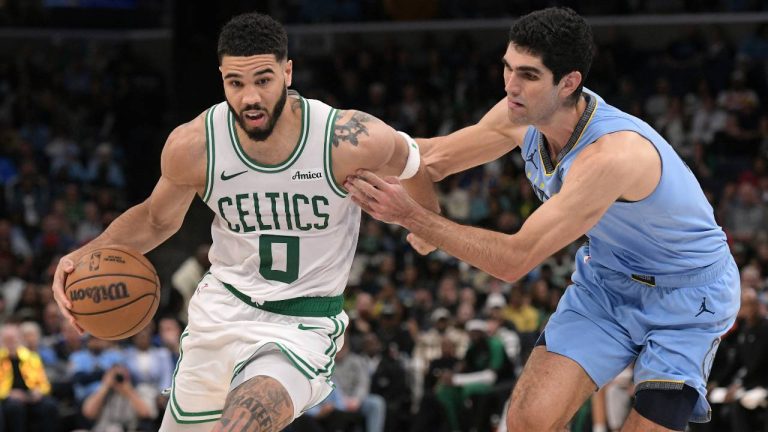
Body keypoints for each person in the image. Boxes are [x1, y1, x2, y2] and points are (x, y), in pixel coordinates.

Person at [346, 7, 740, 432]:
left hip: (686, 296)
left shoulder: (612, 155)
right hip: (607, 281)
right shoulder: (521, 116)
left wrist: (417, 219)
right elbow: (429, 158)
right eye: (508, 69)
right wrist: (338, 154)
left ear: (569, 82)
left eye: (529, 76)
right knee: (528, 422)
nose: (511, 87)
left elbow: (514, 260)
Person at [50, 12, 436, 432]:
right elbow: (155, 219)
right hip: (221, 314)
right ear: (221, 79)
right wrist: (80, 257)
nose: (250, 96)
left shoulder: (345, 138)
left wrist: (426, 223)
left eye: (263, 80)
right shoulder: (195, 145)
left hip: (302, 325)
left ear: (288, 72)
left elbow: (413, 162)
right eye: (236, 82)